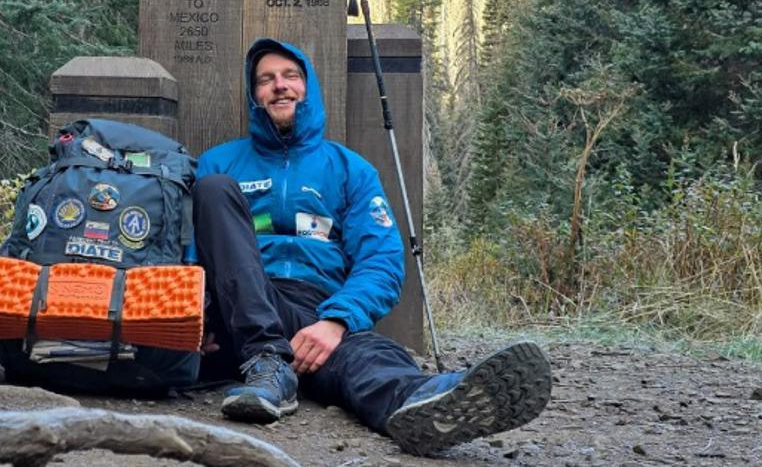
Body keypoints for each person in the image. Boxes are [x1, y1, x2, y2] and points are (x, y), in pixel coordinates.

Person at [192, 38, 551, 456]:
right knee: (214, 190)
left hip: (318, 314)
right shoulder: (219, 164)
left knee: (370, 358)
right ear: (254, 95)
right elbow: (189, 252)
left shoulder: (350, 169)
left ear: (309, 87)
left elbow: (381, 262)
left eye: (291, 76)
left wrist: (336, 322)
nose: (279, 86)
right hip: (244, 312)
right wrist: (191, 318)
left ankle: (428, 401)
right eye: (265, 79)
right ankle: (267, 361)